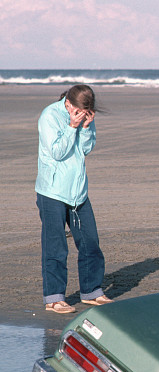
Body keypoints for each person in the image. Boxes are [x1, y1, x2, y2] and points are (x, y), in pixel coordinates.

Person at [36, 84, 113, 314]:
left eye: (87, 112)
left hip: (78, 191)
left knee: (90, 242)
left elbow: (85, 149)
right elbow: (58, 152)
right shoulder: (50, 115)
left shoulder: (85, 115)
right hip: (52, 191)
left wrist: (86, 127)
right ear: (69, 104)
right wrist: (72, 126)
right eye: (80, 110)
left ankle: (91, 291)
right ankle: (54, 298)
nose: (82, 114)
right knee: (56, 247)